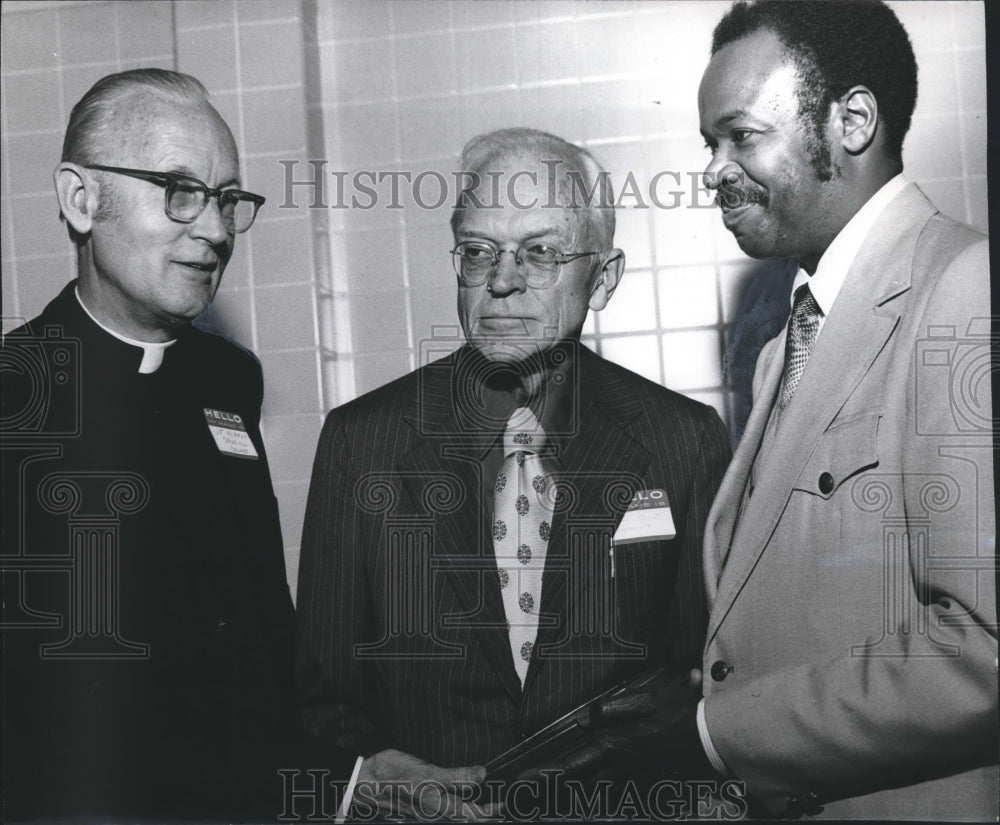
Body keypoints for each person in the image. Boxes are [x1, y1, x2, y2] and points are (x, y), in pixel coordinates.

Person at [546, 1, 997, 820]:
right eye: (708, 145)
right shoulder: (786, 339)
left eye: (741, 136)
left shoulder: (964, 291)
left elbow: (984, 648)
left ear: (852, 121)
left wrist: (712, 735)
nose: (713, 169)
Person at [0, 68, 465, 823]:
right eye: (178, 190)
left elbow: (253, 632)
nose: (215, 230)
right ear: (81, 200)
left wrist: (349, 768)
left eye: (226, 198)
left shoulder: (225, 379)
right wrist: (340, 786)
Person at [295, 127, 731, 818]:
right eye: (478, 251)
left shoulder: (683, 441)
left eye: (540, 252)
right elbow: (325, 703)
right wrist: (385, 788)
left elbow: (699, 690)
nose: (501, 280)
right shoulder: (363, 443)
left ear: (605, 277)